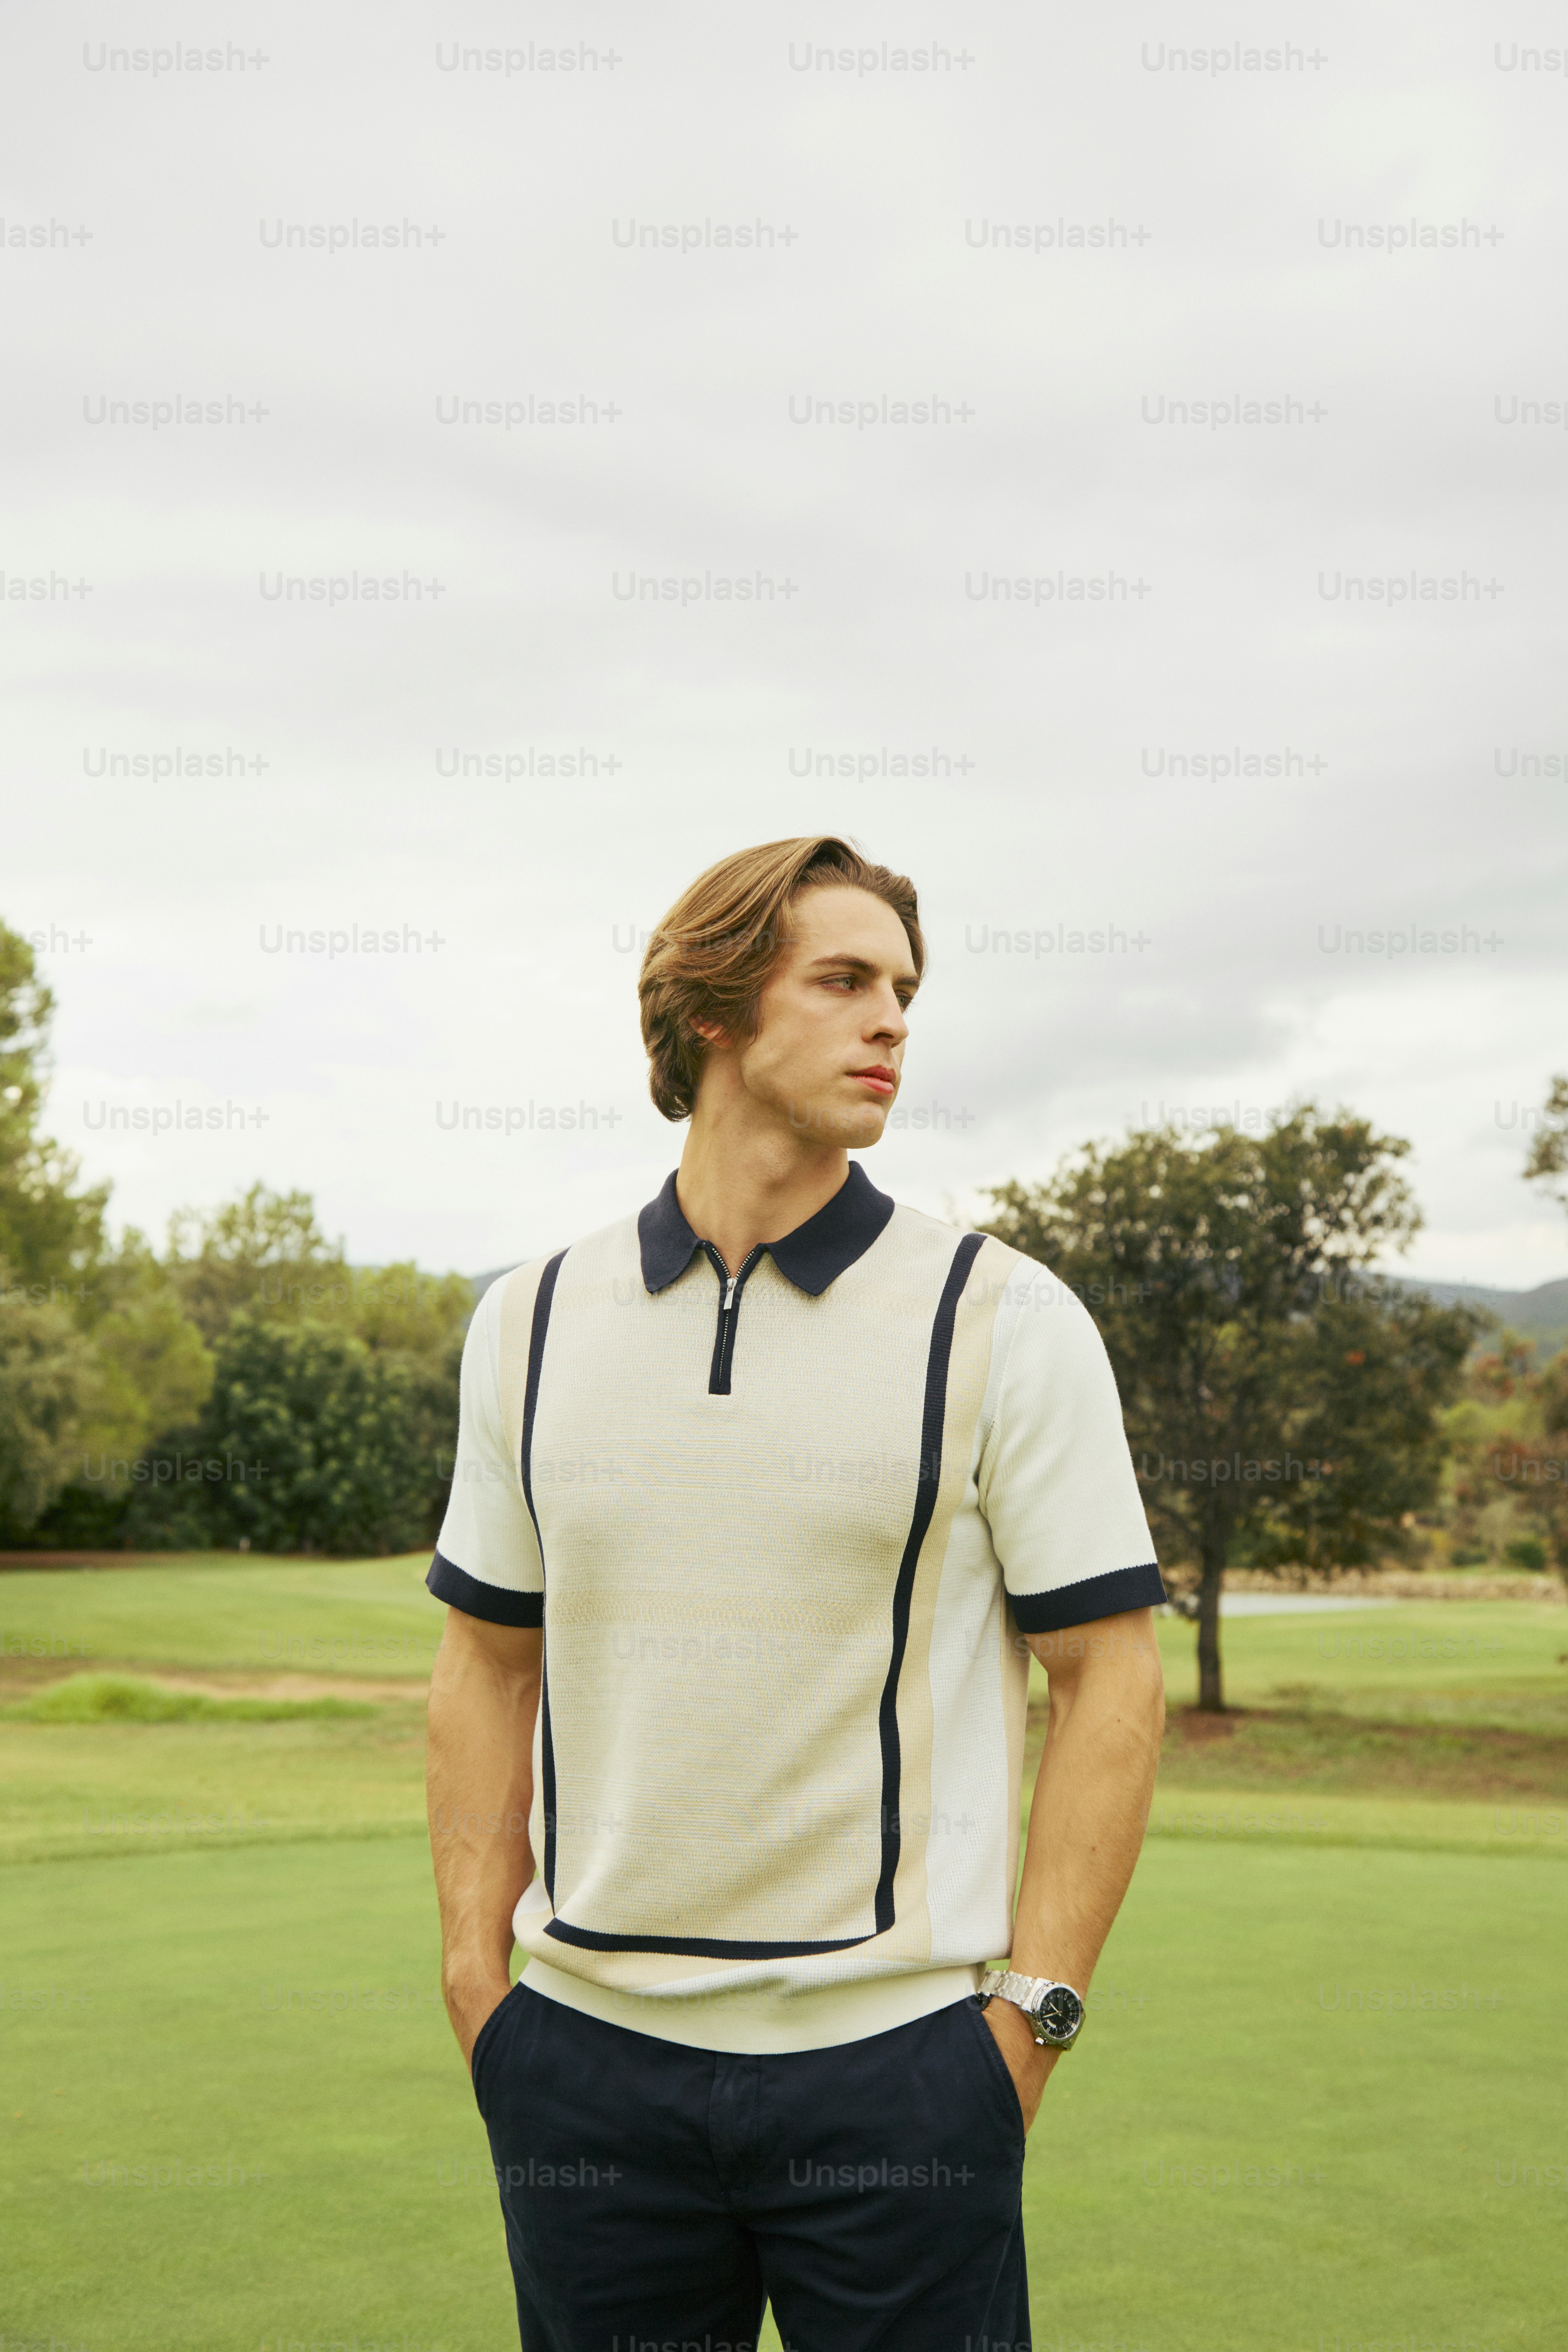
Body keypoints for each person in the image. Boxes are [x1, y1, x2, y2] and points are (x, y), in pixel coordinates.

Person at [425, 835, 1166, 2352]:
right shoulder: (531, 1322)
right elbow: (489, 1663)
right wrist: (476, 1986)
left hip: (900, 2076)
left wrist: (1029, 2023)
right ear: (711, 1007)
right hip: (583, 2072)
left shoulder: (1003, 1317)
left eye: (904, 988)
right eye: (843, 981)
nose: (893, 1019)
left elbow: (1108, 1671)